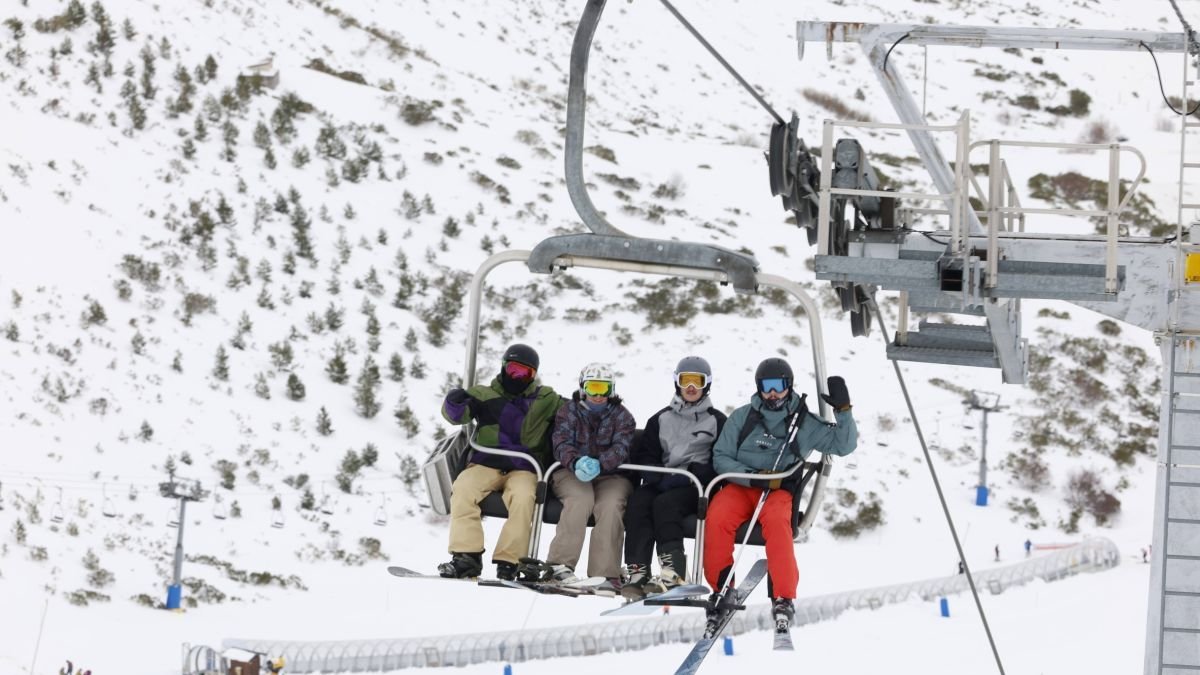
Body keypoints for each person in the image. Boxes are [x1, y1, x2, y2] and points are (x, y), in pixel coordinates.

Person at [703, 357, 857, 637]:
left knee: (777, 523)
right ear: (758, 388)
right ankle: (722, 589)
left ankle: (783, 596)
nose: (772, 393)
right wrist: (751, 475)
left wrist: (843, 411)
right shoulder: (743, 417)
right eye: (766, 387)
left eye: (778, 386)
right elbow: (721, 457)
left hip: (776, 492)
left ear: (789, 386)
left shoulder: (804, 423)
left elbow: (843, 445)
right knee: (717, 517)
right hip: (741, 486)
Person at [437, 343, 562, 581]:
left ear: (533, 375)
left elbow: (574, 413)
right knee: (463, 489)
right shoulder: (483, 394)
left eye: (525, 373)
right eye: (514, 370)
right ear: (504, 368)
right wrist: (453, 402)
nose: (518, 377)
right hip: (486, 463)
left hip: (524, 467)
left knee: (525, 497)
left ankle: (510, 561)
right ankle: (466, 557)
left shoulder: (546, 398)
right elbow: (457, 416)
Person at [622, 356, 726, 601]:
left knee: (666, 504)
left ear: (706, 385)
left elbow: (719, 461)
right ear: (677, 383)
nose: (691, 387)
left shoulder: (717, 421)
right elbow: (646, 456)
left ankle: (674, 571)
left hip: (695, 487)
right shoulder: (660, 419)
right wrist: (657, 475)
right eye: (685, 380)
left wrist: (691, 474)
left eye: (697, 382)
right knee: (639, 500)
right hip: (663, 479)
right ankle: (638, 571)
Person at [543, 362, 636, 592]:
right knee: (581, 499)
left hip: (610, 475)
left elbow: (622, 447)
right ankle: (560, 564)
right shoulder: (568, 411)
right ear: (583, 388)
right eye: (592, 388)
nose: (597, 395)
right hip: (571, 471)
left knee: (611, 504)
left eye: (603, 389)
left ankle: (605, 573)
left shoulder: (623, 417)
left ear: (611, 390)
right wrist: (575, 462)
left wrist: (602, 463)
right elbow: (561, 442)